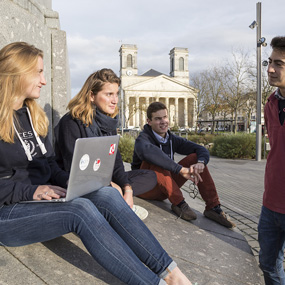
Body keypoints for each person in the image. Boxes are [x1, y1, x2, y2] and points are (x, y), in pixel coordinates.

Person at [0, 41, 192, 285]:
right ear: (17, 73)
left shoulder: (33, 116)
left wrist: (75, 184)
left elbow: (49, 165)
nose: (44, 80)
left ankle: (173, 274)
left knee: (106, 194)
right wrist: (32, 190)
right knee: (81, 210)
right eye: (38, 72)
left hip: (37, 200)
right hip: (8, 211)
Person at [55, 68, 157, 220]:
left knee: (150, 176)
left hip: (103, 177)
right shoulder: (71, 122)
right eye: (109, 94)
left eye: (116, 94)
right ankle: (109, 200)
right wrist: (108, 186)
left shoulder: (108, 122)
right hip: (77, 182)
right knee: (104, 190)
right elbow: (75, 171)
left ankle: (115, 197)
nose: (115, 100)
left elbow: (116, 161)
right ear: (91, 95)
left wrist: (127, 189)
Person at [132, 101, 235, 228]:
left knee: (195, 157)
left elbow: (200, 149)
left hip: (166, 187)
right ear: (149, 121)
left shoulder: (171, 139)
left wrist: (201, 163)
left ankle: (213, 207)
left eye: (165, 117)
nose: (163, 121)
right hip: (145, 189)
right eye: (158, 119)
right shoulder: (142, 139)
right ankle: (179, 204)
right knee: (156, 160)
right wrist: (180, 169)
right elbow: (149, 152)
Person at [258, 36, 285, 285]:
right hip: (271, 204)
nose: (270, 69)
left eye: (279, 63)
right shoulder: (270, 103)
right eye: (269, 62)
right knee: (267, 264)